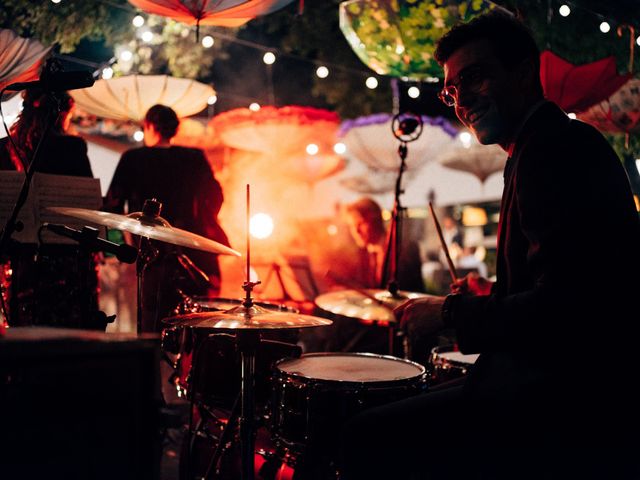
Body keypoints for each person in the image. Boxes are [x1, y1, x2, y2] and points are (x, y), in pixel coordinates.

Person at [340, 11, 640, 479]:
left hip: (563, 404)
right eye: (451, 90)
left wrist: (446, 313)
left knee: (360, 434)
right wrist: (489, 297)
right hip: (555, 388)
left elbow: (569, 307)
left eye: (474, 77)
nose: (460, 100)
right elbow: (560, 282)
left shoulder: (551, 150)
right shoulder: (543, 144)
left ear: (523, 72)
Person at [105, 104, 229, 333]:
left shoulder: (134, 158)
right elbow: (216, 197)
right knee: (197, 320)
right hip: (194, 252)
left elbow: (112, 203)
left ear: (150, 126)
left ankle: (154, 365)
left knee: (153, 321)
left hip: (153, 254)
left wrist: (126, 239)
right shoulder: (194, 157)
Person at [0, 89, 100, 329]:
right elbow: (88, 207)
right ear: (61, 113)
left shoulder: (3, 147)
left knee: (23, 330)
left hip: (19, 257)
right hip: (63, 257)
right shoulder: (71, 147)